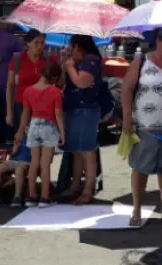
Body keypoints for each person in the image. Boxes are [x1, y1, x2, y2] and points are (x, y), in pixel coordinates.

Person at [121, 28, 162, 226]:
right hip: (145, 125)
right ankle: (137, 209)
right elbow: (127, 89)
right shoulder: (141, 61)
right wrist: (127, 118)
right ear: (159, 41)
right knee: (140, 168)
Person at [59, 34, 103, 205]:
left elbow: (82, 82)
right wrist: (65, 66)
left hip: (87, 108)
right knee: (76, 149)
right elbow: (64, 82)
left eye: (71, 49)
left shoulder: (91, 60)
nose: (70, 53)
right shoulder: (76, 62)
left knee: (86, 149)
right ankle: (76, 184)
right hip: (72, 107)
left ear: (78, 47)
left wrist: (70, 66)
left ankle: (87, 189)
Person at [16, 62, 65, 207]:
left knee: (34, 163)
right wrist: (62, 133)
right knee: (45, 165)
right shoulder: (55, 92)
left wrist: (20, 131)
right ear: (55, 77)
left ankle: (32, 196)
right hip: (49, 127)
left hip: (33, 125)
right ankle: (44, 197)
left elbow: (25, 114)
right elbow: (58, 114)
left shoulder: (28, 91)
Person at [6, 30, 58, 130]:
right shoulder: (18, 58)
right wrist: (9, 112)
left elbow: (58, 82)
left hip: (44, 106)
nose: (40, 46)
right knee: (25, 138)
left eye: (42, 43)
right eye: (36, 42)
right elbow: (10, 85)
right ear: (28, 43)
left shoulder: (49, 58)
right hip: (22, 105)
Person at [0, 135, 32, 207]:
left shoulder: (35, 138)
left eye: (28, 126)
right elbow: (13, 153)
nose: (27, 129)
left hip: (26, 162)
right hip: (13, 160)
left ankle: (17, 196)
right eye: (26, 127)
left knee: (19, 170)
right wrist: (16, 146)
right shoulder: (20, 136)